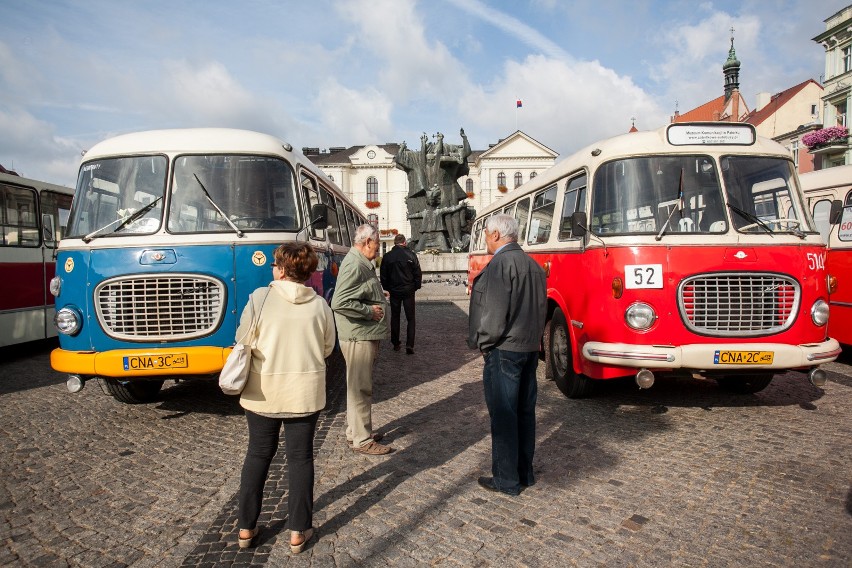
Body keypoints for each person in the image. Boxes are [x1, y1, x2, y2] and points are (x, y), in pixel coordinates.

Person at [235, 242, 336, 553]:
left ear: (280, 268)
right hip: (303, 393)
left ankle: (246, 528)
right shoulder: (319, 305)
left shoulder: (260, 299)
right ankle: (297, 531)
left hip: (263, 391)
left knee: (258, 455)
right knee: (301, 459)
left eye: (274, 264)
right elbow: (328, 347)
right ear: (306, 272)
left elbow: (243, 339)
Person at [467, 214, 547, 496]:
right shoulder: (533, 265)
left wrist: (485, 343)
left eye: (487, 235)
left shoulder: (501, 264)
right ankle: (524, 473)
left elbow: (494, 315)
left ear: (497, 235)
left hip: (505, 349)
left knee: (504, 415)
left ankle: (505, 479)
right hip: (528, 348)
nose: (486, 240)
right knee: (525, 413)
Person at [331, 224, 394, 455]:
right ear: (367, 242)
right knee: (361, 388)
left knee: (357, 387)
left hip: (361, 334)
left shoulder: (359, 261)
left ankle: (355, 432)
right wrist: (369, 312)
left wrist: (378, 296)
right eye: (377, 244)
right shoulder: (355, 263)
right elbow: (339, 302)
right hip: (359, 335)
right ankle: (362, 439)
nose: (378, 249)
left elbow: (358, 292)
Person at [380, 233, 422, 354]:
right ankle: (409, 345)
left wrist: (387, 288)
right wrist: (415, 287)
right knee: (410, 318)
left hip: (394, 290)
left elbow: (383, 275)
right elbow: (417, 273)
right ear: (404, 242)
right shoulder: (411, 255)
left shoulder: (387, 257)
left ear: (394, 243)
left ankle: (395, 343)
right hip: (408, 289)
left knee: (395, 316)